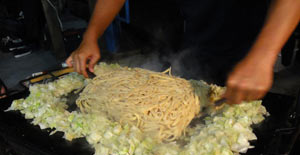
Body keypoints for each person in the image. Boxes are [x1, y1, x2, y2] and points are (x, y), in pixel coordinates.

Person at [66, 0, 300, 104]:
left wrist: (263, 56)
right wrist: (90, 36)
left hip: (257, 37)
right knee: (197, 85)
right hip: (198, 31)